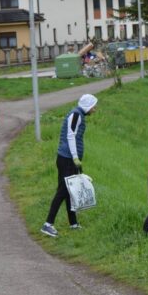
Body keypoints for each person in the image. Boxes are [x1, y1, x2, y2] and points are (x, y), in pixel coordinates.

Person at [40, 93, 98, 238]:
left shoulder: (78, 115)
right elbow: (70, 136)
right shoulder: (76, 115)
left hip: (67, 158)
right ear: (88, 106)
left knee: (69, 191)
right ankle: (48, 224)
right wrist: (75, 157)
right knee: (62, 191)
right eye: (93, 106)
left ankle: (73, 223)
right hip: (67, 159)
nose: (95, 109)